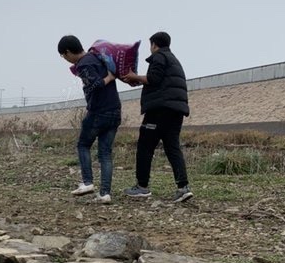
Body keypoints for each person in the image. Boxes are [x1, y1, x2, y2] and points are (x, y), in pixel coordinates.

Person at [123, 31, 193, 202]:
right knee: (172, 147)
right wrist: (139, 79)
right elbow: (161, 80)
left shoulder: (159, 57)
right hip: (176, 110)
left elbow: (154, 78)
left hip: (160, 109)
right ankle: (183, 187)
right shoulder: (173, 60)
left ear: (154, 44)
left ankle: (142, 187)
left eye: (150, 45)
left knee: (145, 146)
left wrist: (134, 77)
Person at [58, 34, 121, 204]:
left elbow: (95, 84)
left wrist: (108, 78)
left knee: (83, 145)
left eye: (64, 56)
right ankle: (105, 193)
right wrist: (110, 75)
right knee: (105, 154)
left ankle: (87, 182)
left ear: (69, 52)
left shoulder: (84, 64)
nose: (65, 59)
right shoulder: (97, 58)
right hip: (115, 110)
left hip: (98, 112)